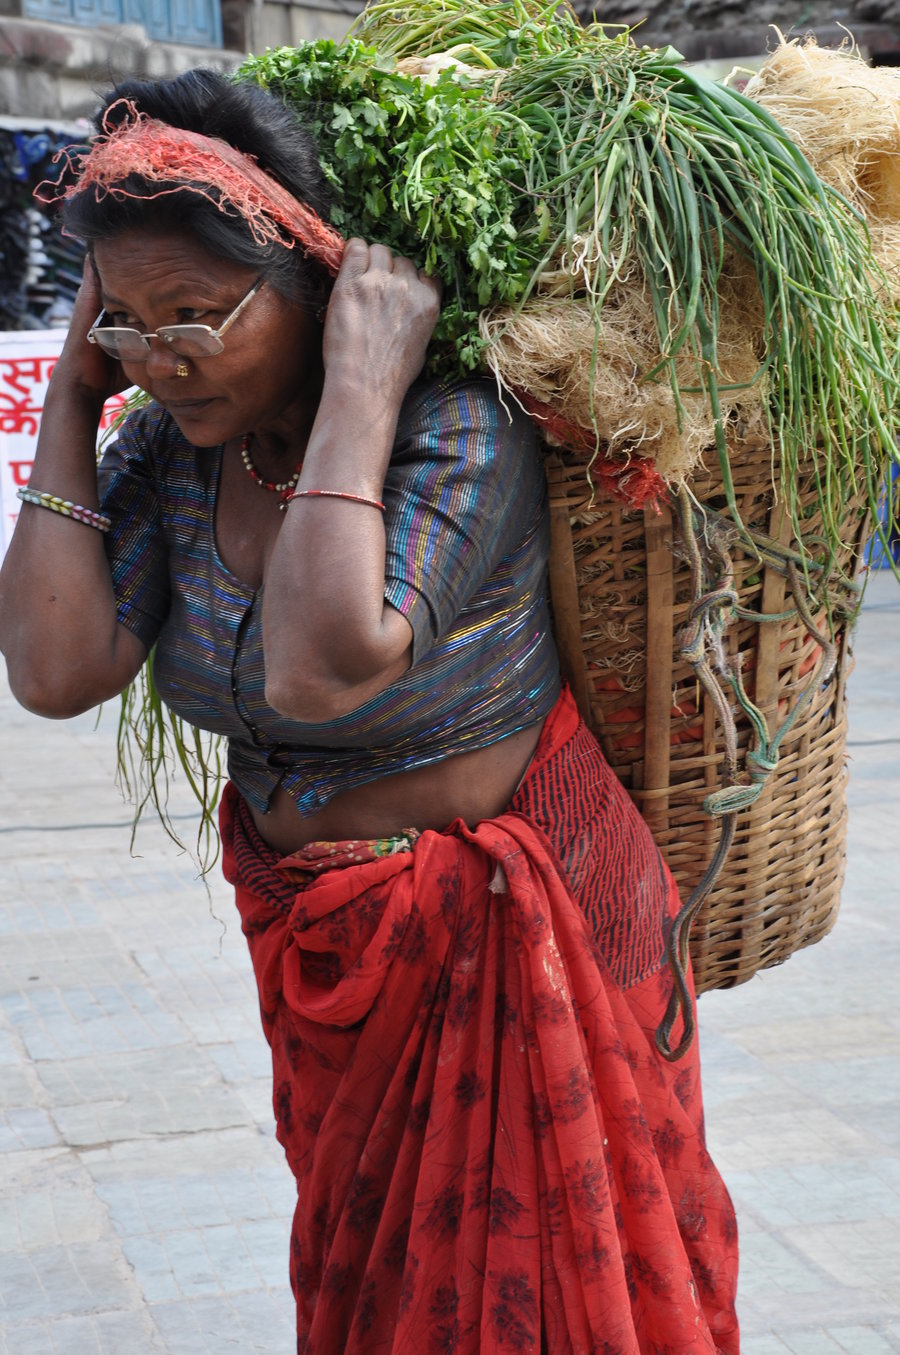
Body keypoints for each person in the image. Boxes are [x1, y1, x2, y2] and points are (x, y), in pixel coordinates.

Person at [0, 68, 740, 1354]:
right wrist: (76, 397)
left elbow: (320, 665)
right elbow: (54, 671)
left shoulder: (457, 423)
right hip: (331, 957)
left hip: (518, 936)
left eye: (196, 313)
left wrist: (359, 388)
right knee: (382, 1283)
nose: (160, 354)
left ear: (314, 288)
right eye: (123, 318)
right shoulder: (175, 447)